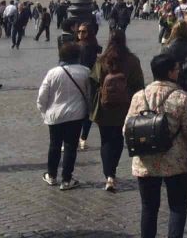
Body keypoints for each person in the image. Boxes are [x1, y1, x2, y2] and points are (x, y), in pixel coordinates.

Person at [127, 52, 187, 238]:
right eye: (176, 69)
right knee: (177, 207)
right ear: (170, 73)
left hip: (145, 161)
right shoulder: (181, 97)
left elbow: (126, 129)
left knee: (149, 208)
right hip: (176, 161)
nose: (179, 72)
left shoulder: (139, 96)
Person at [90, 29, 145, 191]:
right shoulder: (132, 60)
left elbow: (92, 83)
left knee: (105, 141)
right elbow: (139, 86)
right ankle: (112, 172)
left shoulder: (101, 61)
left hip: (104, 108)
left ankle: (109, 175)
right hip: (125, 108)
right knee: (118, 140)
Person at [37, 41, 90, 190]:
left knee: (54, 145)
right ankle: (67, 179)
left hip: (54, 116)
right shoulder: (85, 71)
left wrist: (44, 112)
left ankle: (51, 175)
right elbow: (89, 94)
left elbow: (42, 96)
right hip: (76, 115)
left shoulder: (53, 72)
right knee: (70, 147)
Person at [76, 22, 103, 150]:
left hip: (85, 80)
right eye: (79, 31)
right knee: (87, 111)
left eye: (83, 32)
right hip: (86, 80)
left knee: (84, 111)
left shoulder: (85, 47)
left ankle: (81, 138)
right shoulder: (92, 45)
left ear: (89, 33)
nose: (80, 34)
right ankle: (82, 138)